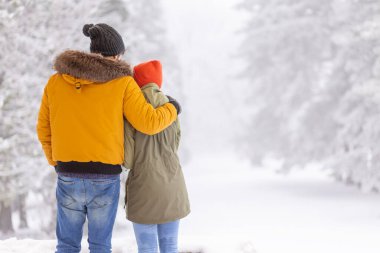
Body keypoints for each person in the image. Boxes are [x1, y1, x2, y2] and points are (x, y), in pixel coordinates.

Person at [36, 23, 181, 253]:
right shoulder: (123, 83)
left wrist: (55, 159)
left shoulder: (56, 82)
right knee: (101, 245)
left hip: (67, 172)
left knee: (66, 245)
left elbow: (43, 128)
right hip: (104, 176)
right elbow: (149, 123)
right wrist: (172, 108)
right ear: (116, 55)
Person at [123, 60, 190, 253]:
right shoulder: (171, 108)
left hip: (144, 188)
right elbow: (174, 146)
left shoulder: (131, 109)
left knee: (146, 248)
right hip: (172, 186)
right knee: (170, 246)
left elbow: (127, 159)